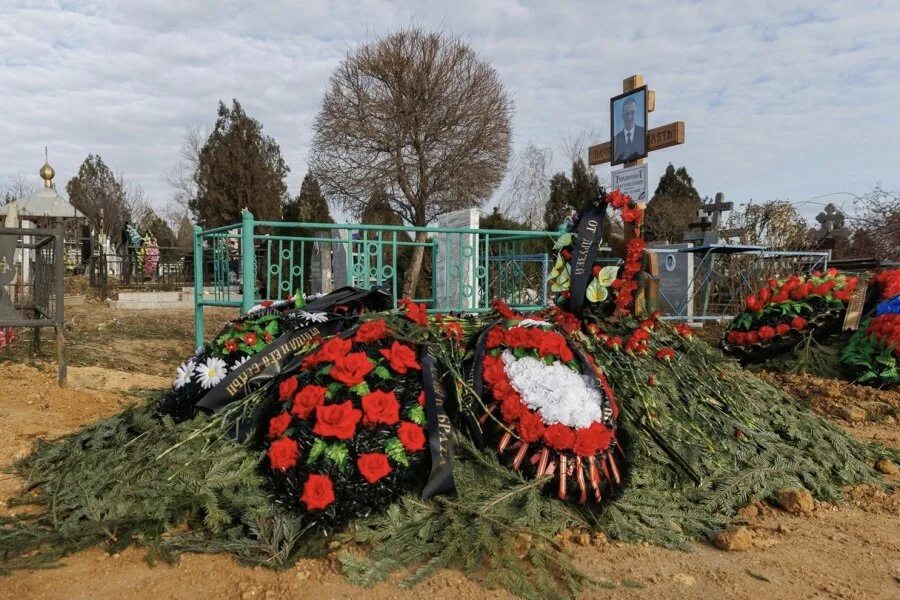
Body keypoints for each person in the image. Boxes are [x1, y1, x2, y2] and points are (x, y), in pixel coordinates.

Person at [613, 97, 645, 164]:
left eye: (632, 113)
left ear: (636, 114)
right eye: (627, 113)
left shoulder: (643, 133)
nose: (630, 117)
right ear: (622, 116)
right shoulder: (616, 140)